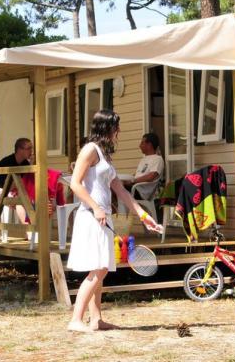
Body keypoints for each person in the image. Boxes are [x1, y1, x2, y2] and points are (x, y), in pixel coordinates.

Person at [67, 109, 162, 333]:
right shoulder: (90, 150)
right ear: (107, 127)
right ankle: (75, 319)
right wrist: (95, 207)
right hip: (91, 216)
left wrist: (144, 216)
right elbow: (75, 184)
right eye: (116, 126)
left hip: (102, 216)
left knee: (99, 268)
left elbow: (121, 191)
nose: (118, 130)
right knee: (99, 268)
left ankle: (96, 319)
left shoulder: (104, 155)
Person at [121, 133, 165, 200]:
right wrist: (128, 179)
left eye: (142, 143)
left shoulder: (158, 159)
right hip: (134, 187)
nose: (139, 146)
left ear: (149, 145)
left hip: (141, 192)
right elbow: (138, 175)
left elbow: (151, 176)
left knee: (117, 186)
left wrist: (132, 181)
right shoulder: (144, 159)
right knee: (113, 184)